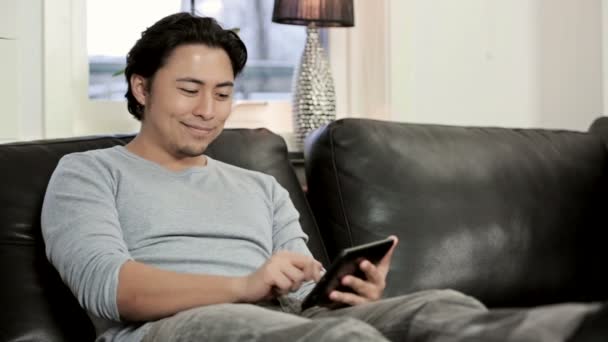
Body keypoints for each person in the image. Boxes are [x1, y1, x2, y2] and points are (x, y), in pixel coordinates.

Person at [41, 12, 603, 342]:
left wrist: (341, 292)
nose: (208, 110)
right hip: (175, 328)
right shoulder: (89, 174)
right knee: (347, 337)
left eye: (223, 92)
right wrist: (244, 285)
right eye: (189, 90)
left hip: (290, 325)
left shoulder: (260, 187)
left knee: (436, 307)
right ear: (142, 88)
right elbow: (109, 289)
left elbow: (303, 290)